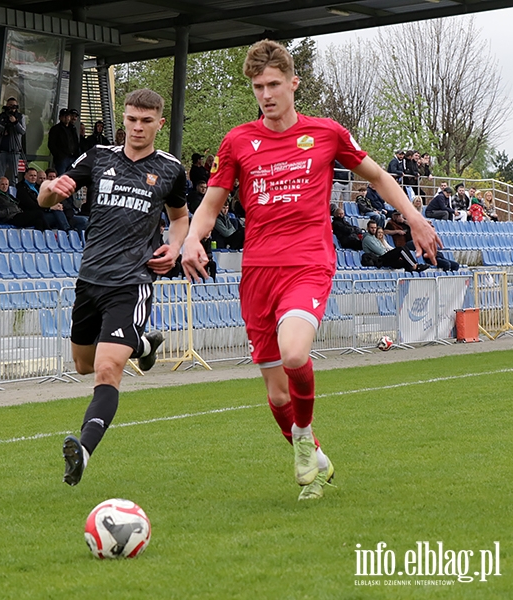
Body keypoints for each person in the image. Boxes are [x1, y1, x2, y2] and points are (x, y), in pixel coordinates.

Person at [181, 40, 439, 501]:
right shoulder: (238, 141)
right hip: (257, 271)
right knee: (278, 395)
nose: (266, 93)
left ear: (293, 83)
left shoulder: (326, 133)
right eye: (258, 86)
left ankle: (303, 440)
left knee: (296, 353)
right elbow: (211, 204)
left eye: (274, 84)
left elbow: (377, 177)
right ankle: (312, 452)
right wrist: (192, 239)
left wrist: (416, 217)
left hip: (308, 262)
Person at [38, 88, 190, 487]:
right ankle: (143, 344)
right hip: (89, 281)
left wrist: (174, 248)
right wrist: (54, 189)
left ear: (159, 122)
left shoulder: (171, 169)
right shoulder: (97, 157)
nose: (137, 128)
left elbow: (180, 219)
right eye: (131, 120)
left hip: (132, 282)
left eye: (145, 121)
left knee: (106, 371)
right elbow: (42, 199)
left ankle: (84, 451)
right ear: (123, 120)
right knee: (84, 365)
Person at [362, 220, 426, 271]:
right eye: (371, 228)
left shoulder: (374, 237)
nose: (373, 229)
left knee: (404, 258)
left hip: (384, 257)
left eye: (375, 228)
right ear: (367, 228)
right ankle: (414, 266)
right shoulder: (368, 239)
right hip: (379, 259)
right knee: (400, 249)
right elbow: (380, 251)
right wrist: (392, 254)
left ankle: (415, 265)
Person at [0, 97, 26, 184]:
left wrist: (15, 122)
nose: (12, 108)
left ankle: (13, 191)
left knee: (14, 175)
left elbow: (22, 131)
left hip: (15, 150)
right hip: (3, 149)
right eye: (10, 105)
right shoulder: (2, 116)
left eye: (14, 106)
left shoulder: (20, 117)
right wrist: (1, 133)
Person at [47, 109, 80, 175]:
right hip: (62, 159)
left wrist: (77, 154)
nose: (66, 118)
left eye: (68, 116)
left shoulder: (72, 128)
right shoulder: (55, 129)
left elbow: (76, 142)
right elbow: (51, 144)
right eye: (64, 116)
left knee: (71, 178)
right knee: (61, 177)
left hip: (73, 157)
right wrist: (59, 155)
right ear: (60, 117)